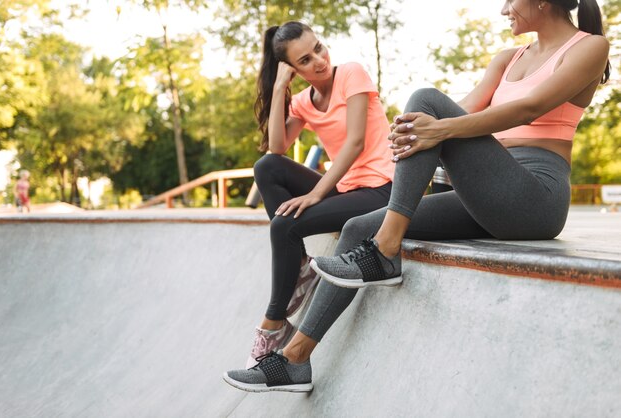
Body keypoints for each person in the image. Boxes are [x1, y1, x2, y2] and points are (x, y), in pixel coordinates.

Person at [223, 0, 610, 392]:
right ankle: (295, 359)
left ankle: (385, 250)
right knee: (358, 227)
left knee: (425, 102)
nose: (504, 8)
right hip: (489, 193)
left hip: (535, 198)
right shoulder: (508, 58)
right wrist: (414, 130)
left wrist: (436, 129)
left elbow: (531, 108)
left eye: (511, 0)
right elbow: (461, 113)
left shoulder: (589, 47)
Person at [227, 21, 395, 379]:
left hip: (381, 189)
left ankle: (274, 322)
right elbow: (277, 147)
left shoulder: (351, 74)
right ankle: (301, 265)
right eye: (305, 59)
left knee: (284, 224)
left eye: (319, 48)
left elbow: (354, 142)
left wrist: (316, 194)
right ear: (294, 70)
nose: (319, 60)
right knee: (267, 166)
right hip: (348, 189)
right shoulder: (303, 101)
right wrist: (278, 90)